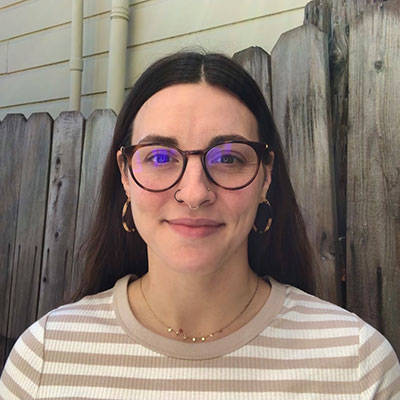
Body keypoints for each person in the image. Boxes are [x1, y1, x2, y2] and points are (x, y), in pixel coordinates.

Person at [0, 51, 399, 399]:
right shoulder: (44, 358)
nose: (194, 193)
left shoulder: (357, 364)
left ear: (265, 177)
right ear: (124, 175)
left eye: (228, 158)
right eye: (159, 157)